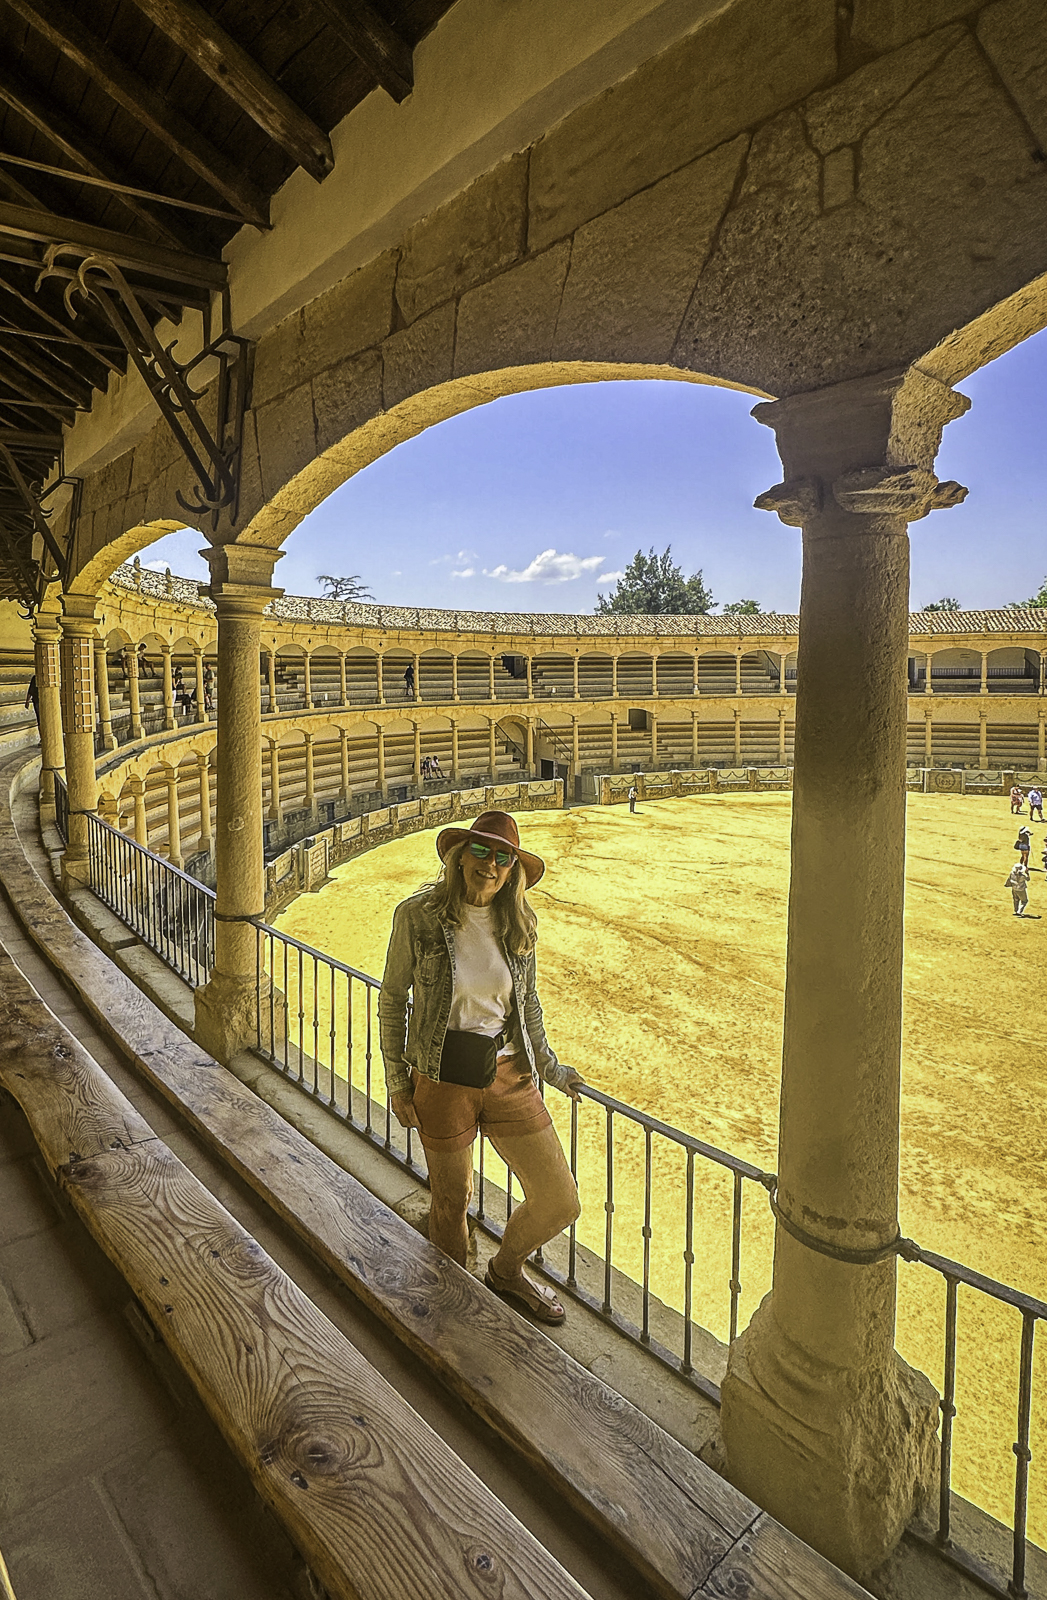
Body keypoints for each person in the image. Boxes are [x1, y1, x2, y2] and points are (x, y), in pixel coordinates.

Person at [379, 810, 584, 1324]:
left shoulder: (519, 923)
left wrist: (551, 1068)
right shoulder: (417, 916)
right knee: (452, 1202)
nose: (490, 865)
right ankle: (456, 1309)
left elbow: (528, 1004)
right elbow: (392, 1000)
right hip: (441, 1075)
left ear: (513, 870)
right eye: (481, 850)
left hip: (508, 1072)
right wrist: (398, 1083)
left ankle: (506, 1270)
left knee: (560, 1200)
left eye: (503, 857)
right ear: (460, 856)